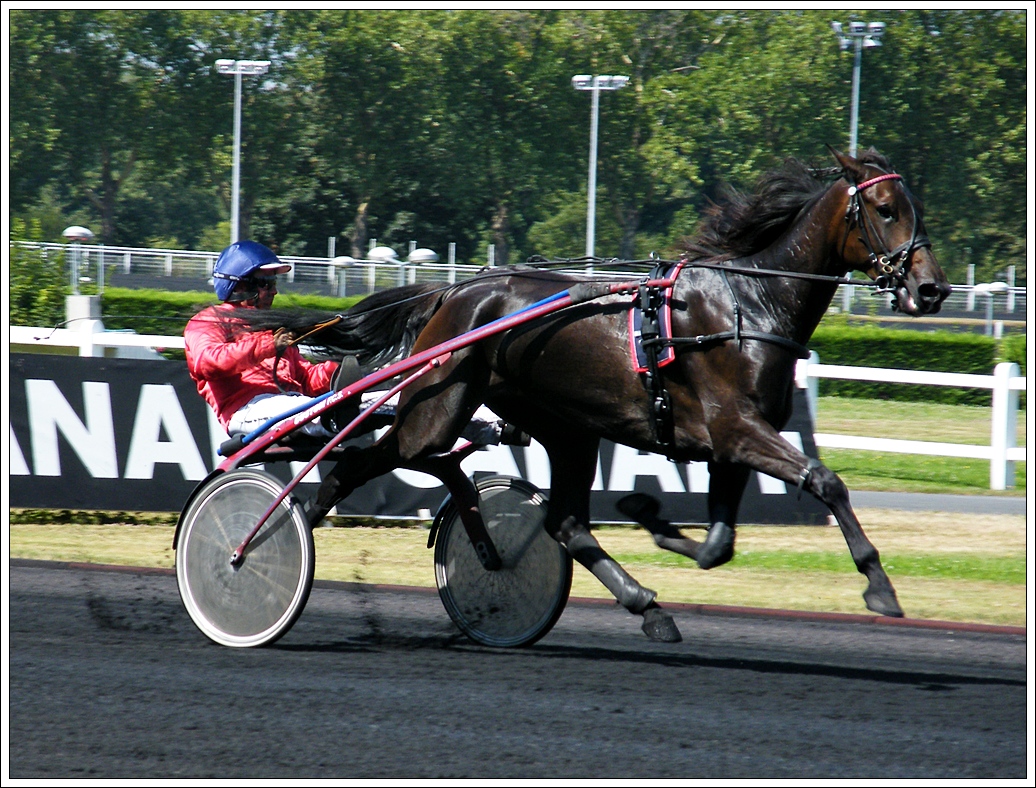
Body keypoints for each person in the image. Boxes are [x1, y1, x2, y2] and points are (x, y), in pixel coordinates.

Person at [184, 240, 338, 438]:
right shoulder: (209, 320)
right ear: (239, 286)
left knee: (378, 403)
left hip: (290, 404)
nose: (274, 291)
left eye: (274, 283)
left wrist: (337, 364)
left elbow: (307, 380)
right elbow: (208, 363)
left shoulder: (270, 326)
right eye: (266, 284)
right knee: (316, 411)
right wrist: (270, 344)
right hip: (247, 410)